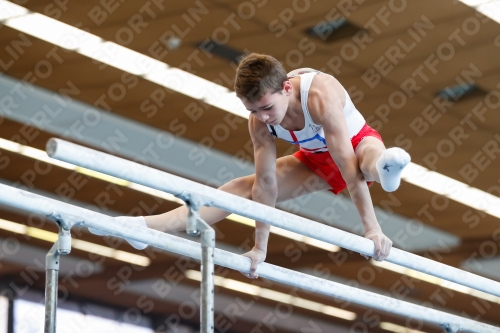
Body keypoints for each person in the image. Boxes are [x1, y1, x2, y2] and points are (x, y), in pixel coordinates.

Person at [90, 53, 411, 279]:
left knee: (366, 157)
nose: (264, 118)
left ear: (288, 87)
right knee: (238, 189)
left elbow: (346, 165)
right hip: (313, 161)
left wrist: (372, 230)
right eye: (254, 110)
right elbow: (266, 185)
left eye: (268, 108)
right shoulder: (259, 123)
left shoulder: (320, 95)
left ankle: (386, 167)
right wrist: (260, 248)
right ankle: (145, 227)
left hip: (354, 146)